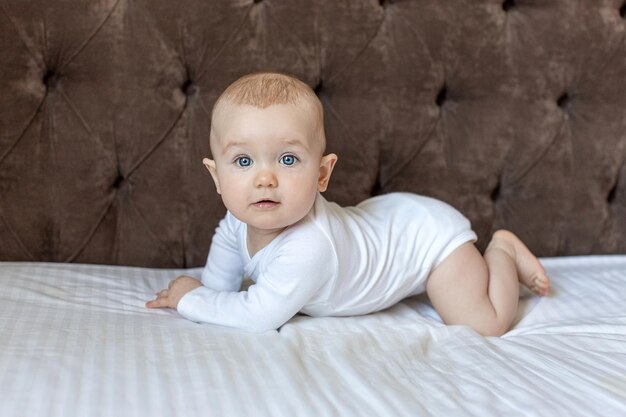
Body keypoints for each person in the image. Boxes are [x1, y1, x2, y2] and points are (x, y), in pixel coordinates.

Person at [146, 72, 550, 336]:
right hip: (390, 221)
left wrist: (191, 299)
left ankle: (501, 250)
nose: (264, 178)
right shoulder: (238, 222)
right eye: (243, 161)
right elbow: (223, 278)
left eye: (288, 160)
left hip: (426, 242)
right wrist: (210, 290)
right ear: (217, 176)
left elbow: (257, 315)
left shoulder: (309, 246)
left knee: (484, 323)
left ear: (322, 174)